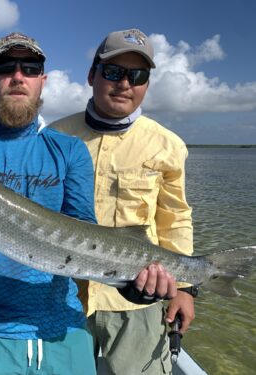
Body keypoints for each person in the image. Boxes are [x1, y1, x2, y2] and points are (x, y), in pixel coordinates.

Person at [0, 31, 178, 375]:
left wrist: (132, 284)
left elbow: (85, 232)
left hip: (62, 330)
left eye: (31, 67)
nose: (18, 76)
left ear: (43, 80)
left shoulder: (69, 151)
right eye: (6, 66)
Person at [50, 28, 195, 374]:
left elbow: (174, 219)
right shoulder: (53, 137)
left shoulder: (167, 145)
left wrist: (185, 290)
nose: (124, 84)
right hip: (63, 295)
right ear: (91, 75)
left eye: (137, 75)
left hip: (138, 302)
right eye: (113, 72)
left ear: (146, 83)